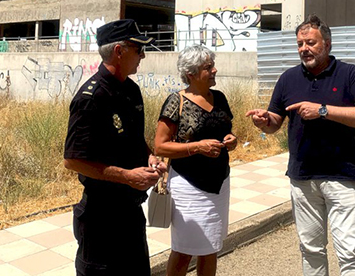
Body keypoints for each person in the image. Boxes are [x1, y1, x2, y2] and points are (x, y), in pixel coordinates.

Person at [246, 14, 355, 276]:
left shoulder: (349, 74)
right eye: (300, 44)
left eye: (310, 43)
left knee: (350, 254)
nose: (304, 49)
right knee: (310, 250)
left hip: (343, 178)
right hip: (303, 179)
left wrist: (322, 110)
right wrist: (264, 121)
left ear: (327, 44)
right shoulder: (288, 78)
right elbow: (275, 122)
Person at [63, 19, 167, 276]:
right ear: (119, 51)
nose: (143, 56)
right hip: (101, 217)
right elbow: (73, 160)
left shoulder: (131, 90)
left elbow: (134, 138)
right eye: (138, 49)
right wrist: (127, 176)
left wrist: (150, 157)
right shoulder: (91, 98)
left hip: (131, 211)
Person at [154, 45, 237, 276]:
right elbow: (160, 146)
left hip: (219, 184)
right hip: (189, 187)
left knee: (210, 247)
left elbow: (226, 131)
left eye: (213, 65)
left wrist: (232, 140)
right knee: (184, 250)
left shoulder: (219, 98)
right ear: (191, 73)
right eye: (208, 67)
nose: (214, 70)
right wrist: (197, 147)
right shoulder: (176, 101)